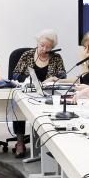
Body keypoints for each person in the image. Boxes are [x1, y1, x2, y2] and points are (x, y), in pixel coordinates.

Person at [11, 29, 66, 157]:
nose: (44, 49)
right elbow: (14, 74)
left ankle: (50, 144)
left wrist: (56, 77)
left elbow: (63, 74)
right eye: (42, 45)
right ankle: (20, 142)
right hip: (28, 92)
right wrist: (27, 79)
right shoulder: (27, 55)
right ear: (37, 42)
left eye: (48, 47)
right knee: (18, 106)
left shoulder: (56, 57)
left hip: (48, 94)